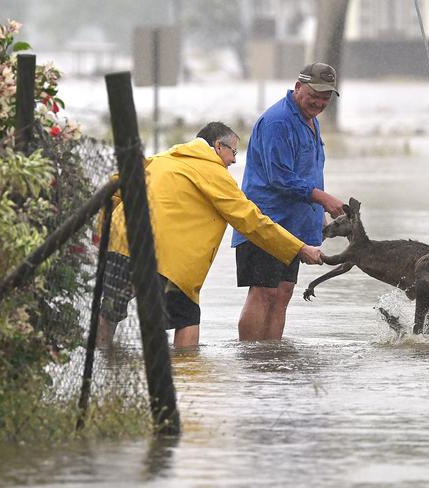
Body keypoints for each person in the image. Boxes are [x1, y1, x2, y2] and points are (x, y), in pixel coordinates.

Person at [96, 122, 323, 349]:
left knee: (110, 310)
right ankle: (186, 376)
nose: (234, 160)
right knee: (187, 319)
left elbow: (114, 186)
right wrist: (299, 248)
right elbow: (251, 221)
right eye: (233, 152)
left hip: (121, 246)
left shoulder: (161, 160)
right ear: (217, 146)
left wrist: (100, 233)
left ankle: (100, 361)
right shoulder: (214, 174)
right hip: (167, 261)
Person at [232, 62, 345, 341]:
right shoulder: (278, 121)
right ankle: (252, 360)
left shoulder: (311, 120)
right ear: (297, 88)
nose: (319, 102)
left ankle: (272, 355)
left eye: (325, 97)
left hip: (295, 224)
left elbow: (311, 171)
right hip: (266, 221)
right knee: (264, 292)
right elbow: (279, 177)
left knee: (282, 293)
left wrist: (320, 214)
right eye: (314, 95)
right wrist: (324, 198)